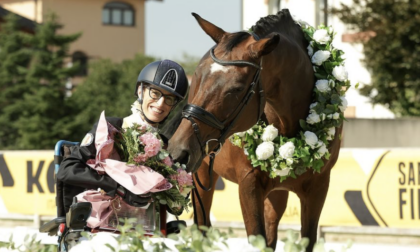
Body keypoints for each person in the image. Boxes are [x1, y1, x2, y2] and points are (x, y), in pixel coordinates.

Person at [56, 60, 189, 216]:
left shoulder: (164, 146)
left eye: (169, 99)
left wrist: (177, 194)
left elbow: (172, 207)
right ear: (141, 91)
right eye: (155, 93)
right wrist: (119, 188)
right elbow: (67, 170)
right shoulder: (111, 128)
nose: (160, 104)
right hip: (100, 224)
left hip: (144, 228)